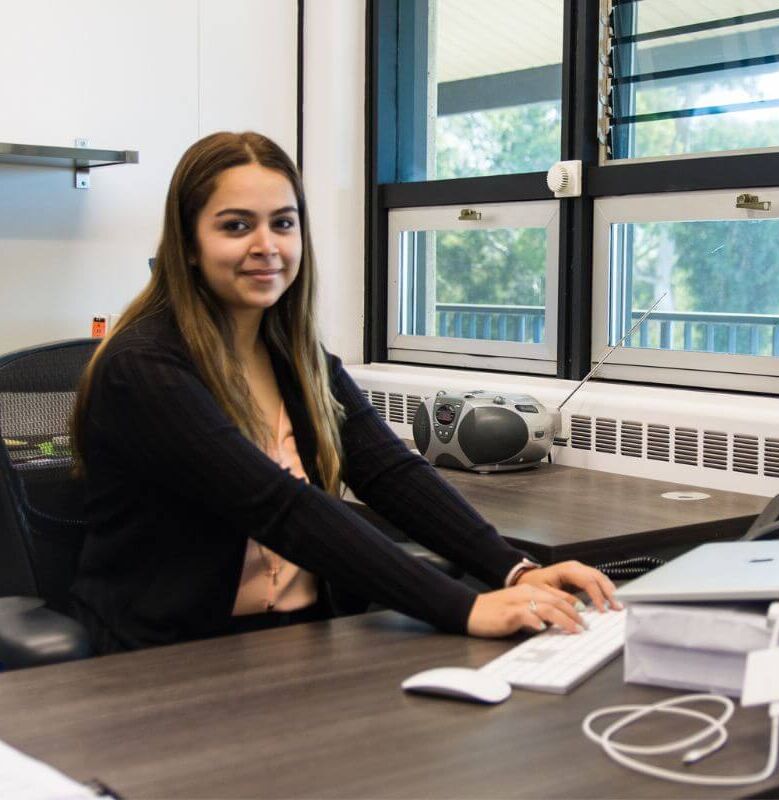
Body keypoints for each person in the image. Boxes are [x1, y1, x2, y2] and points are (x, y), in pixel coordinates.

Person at [69, 131, 618, 654]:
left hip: (303, 640)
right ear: (188, 244)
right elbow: (280, 507)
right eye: (236, 226)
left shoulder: (298, 358)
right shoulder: (142, 369)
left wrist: (512, 568)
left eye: (283, 223)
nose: (266, 246)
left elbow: (388, 472)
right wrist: (464, 608)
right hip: (170, 655)